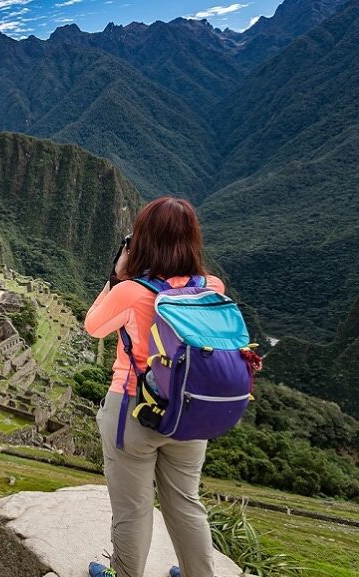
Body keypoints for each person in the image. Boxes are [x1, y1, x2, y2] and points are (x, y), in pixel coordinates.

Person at [83, 197, 223, 577]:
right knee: (185, 502)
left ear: (141, 241)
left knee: (133, 506)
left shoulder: (132, 291)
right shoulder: (211, 286)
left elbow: (93, 325)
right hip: (190, 413)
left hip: (133, 409)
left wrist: (117, 276)